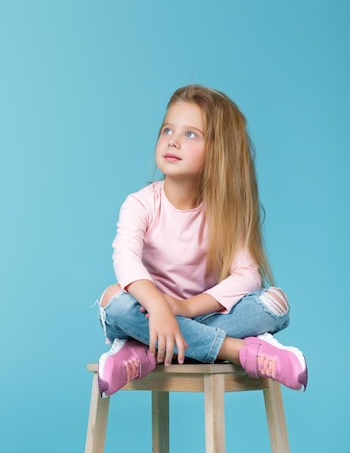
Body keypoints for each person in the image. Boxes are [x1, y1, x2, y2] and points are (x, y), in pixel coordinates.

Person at [97, 84, 308, 396]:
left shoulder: (223, 213)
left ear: (217, 153)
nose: (173, 140)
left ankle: (145, 351)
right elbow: (125, 259)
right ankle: (240, 351)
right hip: (146, 313)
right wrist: (158, 307)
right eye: (168, 130)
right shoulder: (140, 204)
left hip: (198, 313)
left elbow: (248, 276)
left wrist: (183, 308)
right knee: (113, 302)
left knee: (274, 305)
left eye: (190, 134)